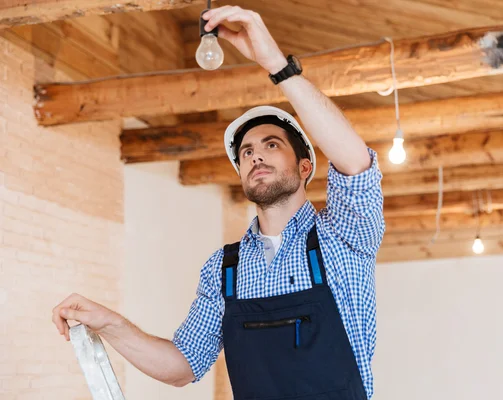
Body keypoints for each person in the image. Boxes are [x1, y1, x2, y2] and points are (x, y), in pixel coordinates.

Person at [52, 5, 385, 399]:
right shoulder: (224, 269)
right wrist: (108, 322)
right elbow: (182, 365)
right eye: (246, 153)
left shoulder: (344, 237)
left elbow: (356, 163)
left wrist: (276, 64)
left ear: (305, 165)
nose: (255, 156)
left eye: (271, 145)